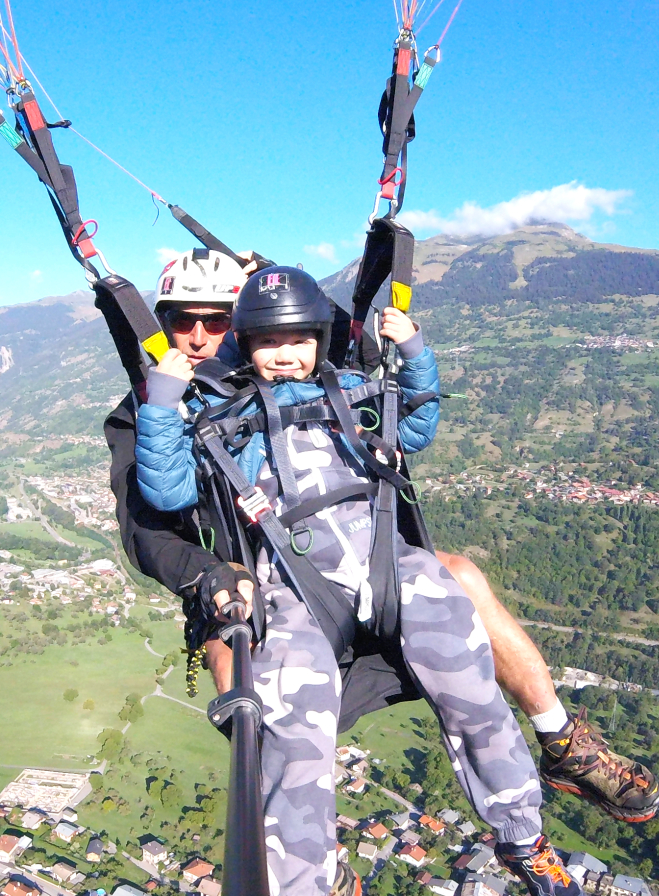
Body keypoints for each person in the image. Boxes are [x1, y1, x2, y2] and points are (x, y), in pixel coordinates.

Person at [132, 265, 582, 896]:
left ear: (319, 337)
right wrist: (160, 407)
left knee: (473, 689)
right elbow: (170, 490)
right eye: (266, 343)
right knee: (295, 733)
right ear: (247, 346)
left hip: (391, 566)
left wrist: (413, 350)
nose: (284, 356)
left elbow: (417, 425)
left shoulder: (352, 394)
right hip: (295, 586)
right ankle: (304, 884)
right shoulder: (220, 415)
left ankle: (523, 837)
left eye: (296, 341)